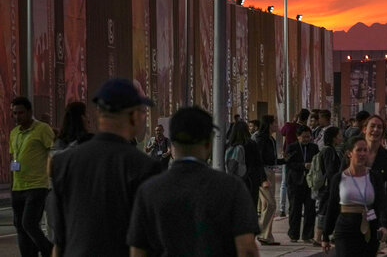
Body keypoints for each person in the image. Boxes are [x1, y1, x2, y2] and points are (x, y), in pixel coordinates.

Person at [126, 107, 260, 256]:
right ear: (208, 144)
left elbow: (137, 252)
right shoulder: (232, 188)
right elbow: (247, 249)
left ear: (172, 145)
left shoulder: (148, 191)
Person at [51, 78, 163, 256]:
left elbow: (59, 240)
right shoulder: (144, 167)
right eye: (142, 111)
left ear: (99, 114)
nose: (143, 117)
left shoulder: (63, 163)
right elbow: (142, 243)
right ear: (133, 116)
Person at [322, 136, 387, 256]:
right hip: (345, 228)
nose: (362, 154)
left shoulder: (374, 177)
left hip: (369, 227)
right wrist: (325, 235)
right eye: (359, 150)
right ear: (349, 153)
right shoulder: (339, 178)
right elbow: (332, 207)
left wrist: (384, 225)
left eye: (365, 150)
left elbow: (382, 204)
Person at [9, 96, 54, 257]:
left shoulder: (42, 129)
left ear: (29, 112)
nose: (17, 116)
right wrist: (12, 183)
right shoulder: (14, 133)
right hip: (18, 186)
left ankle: (51, 251)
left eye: (20, 112)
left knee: (29, 223)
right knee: (20, 227)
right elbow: (13, 157)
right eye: (14, 113)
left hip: (37, 185)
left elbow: (53, 151)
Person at [359, 114, 387, 239]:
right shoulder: (352, 152)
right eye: (372, 126)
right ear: (364, 129)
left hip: (376, 212)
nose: (376, 130)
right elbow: (340, 183)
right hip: (353, 210)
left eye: (379, 127)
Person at [287, 124, 319, 243]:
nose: (306, 139)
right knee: (295, 209)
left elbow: (318, 162)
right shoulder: (291, 147)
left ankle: (307, 235)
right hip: (295, 182)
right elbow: (288, 163)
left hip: (310, 183)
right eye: (304, 137)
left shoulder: (314, 147)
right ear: (298, 136)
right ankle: (293, 234)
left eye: (308, 137)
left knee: (310, 209)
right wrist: (302, 165)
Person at [253, 114, 282, 245]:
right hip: (263, 172)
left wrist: (284, 160)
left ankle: (267, 236)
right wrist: (262, 179)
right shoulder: (260, 138)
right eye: (275, 123)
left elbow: (271, 158)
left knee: (267, 205)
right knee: (271, 204)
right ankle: (258, 230)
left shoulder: (271, 139)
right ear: (269, 124)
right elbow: (257, 160)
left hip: (270, 170)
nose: (277, 125)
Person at [314, 126, 344, 246]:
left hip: (329, 187)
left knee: (326, 211)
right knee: (323, 211)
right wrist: (335, 185)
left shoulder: (330, 150)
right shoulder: (329, 151)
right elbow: (330, 171)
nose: (341, 138)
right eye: (339, 135)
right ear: (334, 138)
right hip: (328, 188)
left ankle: (324, 236)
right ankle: (317, 237)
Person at [227, 121, 265, 207]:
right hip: (250, 181)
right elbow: (259, 163)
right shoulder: (251, 144)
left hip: (234, 180)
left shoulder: (229, 145)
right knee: (251, 207)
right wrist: (263, 179)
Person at [279, 108, 308, 218]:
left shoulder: (289, 125)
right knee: (301, 182)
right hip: (301, 158)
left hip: (287, 156)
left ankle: (282, 208)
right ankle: (300, 209)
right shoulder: (305, 129)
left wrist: (292, 121)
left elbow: (282, 132)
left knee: (284, 183)